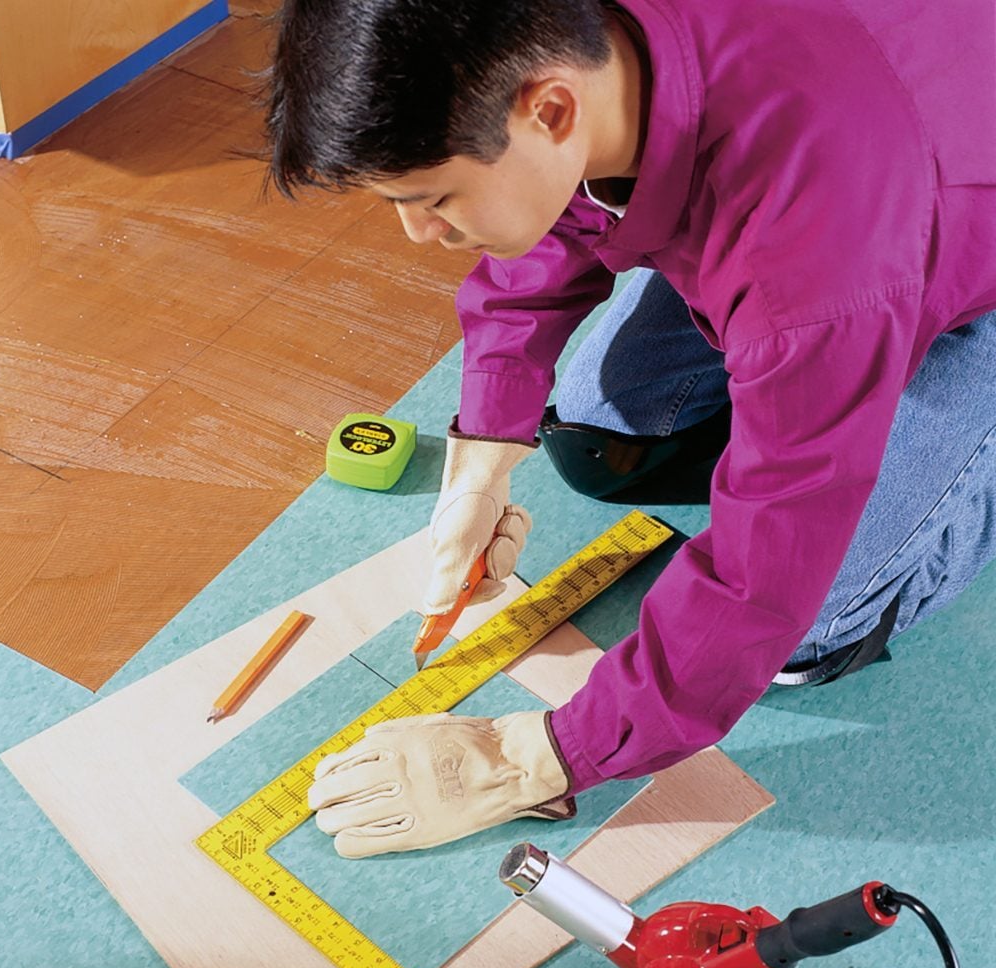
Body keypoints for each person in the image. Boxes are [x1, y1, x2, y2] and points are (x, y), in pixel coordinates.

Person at [262, 0, 996, 859]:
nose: (419, 233)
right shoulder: (586, 49)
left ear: (551, 109)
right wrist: (483, 456)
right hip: (881, 114)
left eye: (432, 199)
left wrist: (533, 756)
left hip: (919, 213)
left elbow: (769, 560)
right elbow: (553, 201)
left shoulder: (811, 272)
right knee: (597, 441)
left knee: (803, 632)